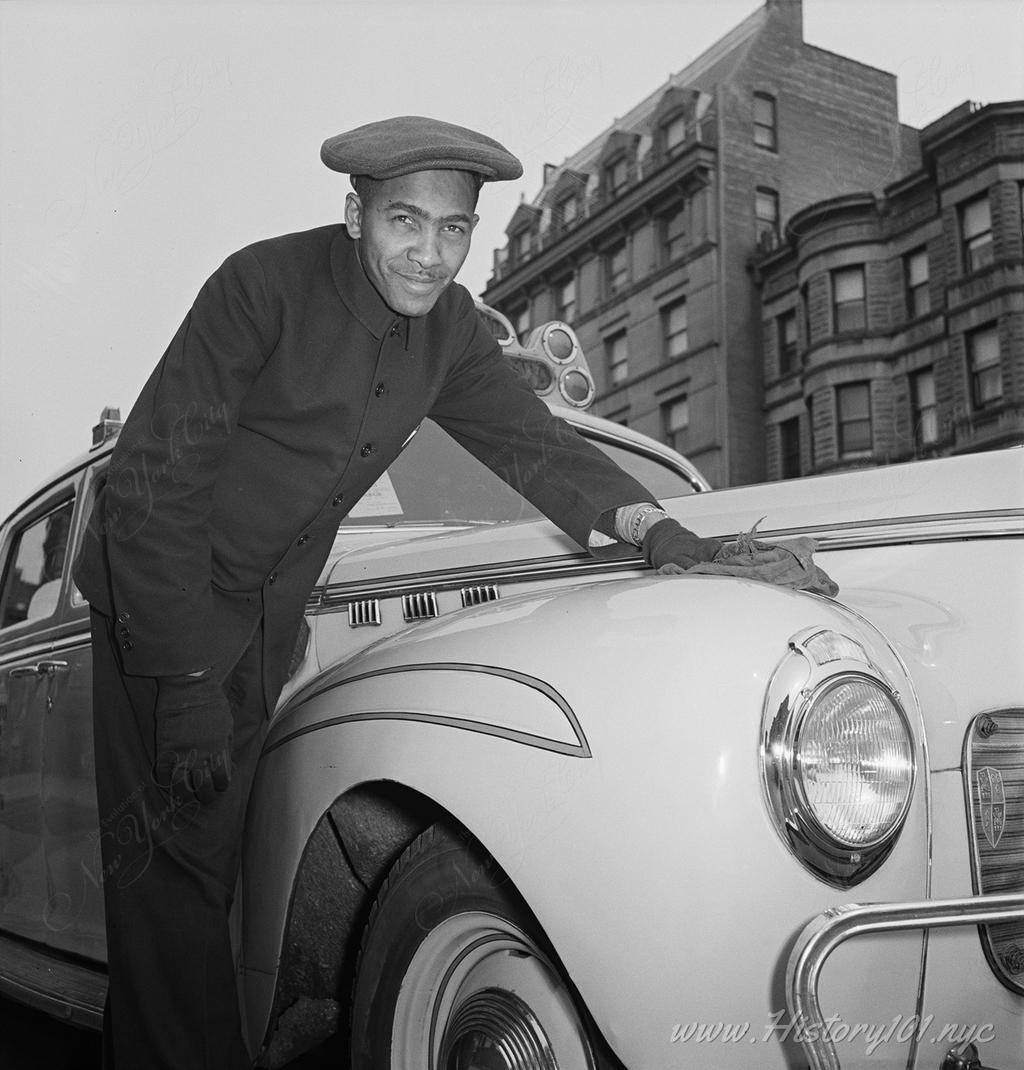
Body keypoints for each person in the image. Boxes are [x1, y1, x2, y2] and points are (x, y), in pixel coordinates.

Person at [73, 115, 721, 1069]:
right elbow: (149, 491)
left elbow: (533, 447)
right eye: (403, 223)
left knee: (202, 881)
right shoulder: (259, 288)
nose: (427, 254)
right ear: (354, 214)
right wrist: (183, 687)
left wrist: (655, 530)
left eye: (452, 231)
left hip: (265, 623)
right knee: (166, 886)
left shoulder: (450, 330)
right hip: (159, 612)